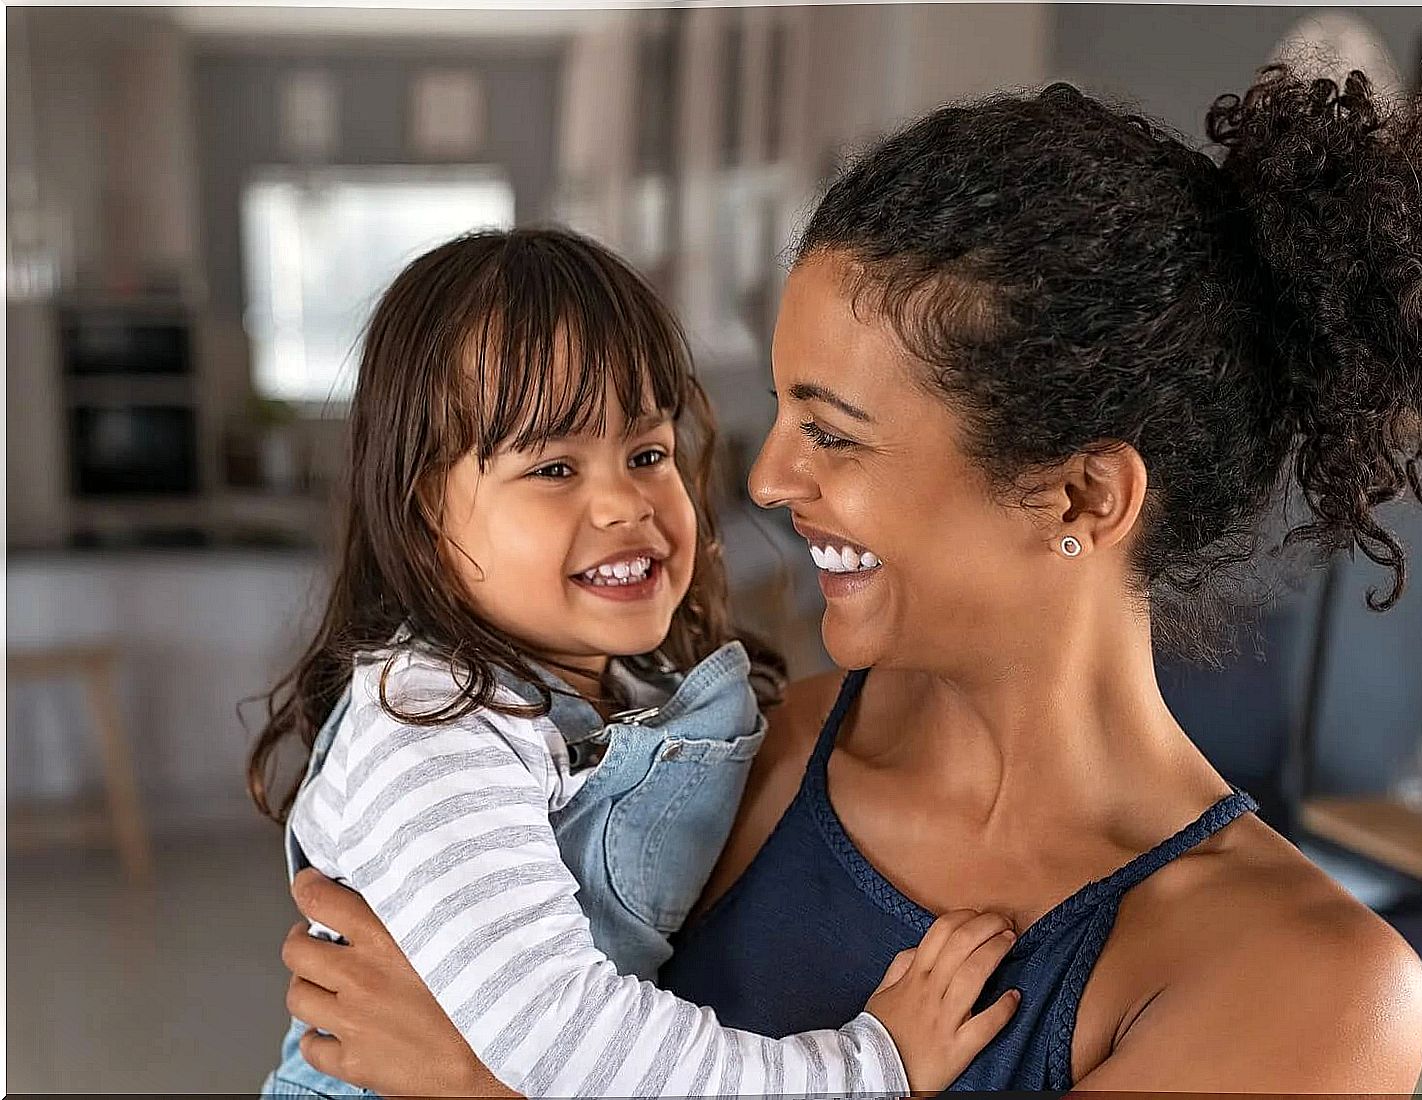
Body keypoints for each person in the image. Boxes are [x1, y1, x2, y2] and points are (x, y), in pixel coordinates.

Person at [276, 68, 1422, 1092]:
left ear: (1081, 495)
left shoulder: (1306, 986)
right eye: (779, 413)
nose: (766, 478)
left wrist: (481, 1088)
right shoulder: (735, 758)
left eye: (831, 430)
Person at [248, 227, 1022, 1099]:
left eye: (647, 453)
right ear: (428, 509)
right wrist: (868, 1069)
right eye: (553, 467)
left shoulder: (638, 698)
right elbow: (568, 1038)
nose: (625, 501)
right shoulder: (433, 721)